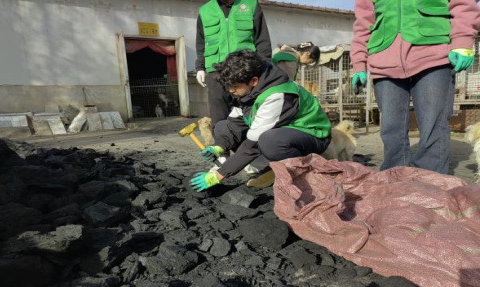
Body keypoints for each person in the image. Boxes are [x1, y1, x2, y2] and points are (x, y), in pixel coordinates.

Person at [351, 0, 480, 174]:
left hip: (433, 53)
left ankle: (430, 181)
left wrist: (462, 41)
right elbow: (363, 22)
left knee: (433, 125)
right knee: (391, 129)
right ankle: (395, 179)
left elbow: (463, 3)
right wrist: (359, 62)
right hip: (384, 57)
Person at [190, 50, 332, 191]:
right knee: (223, 126)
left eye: (234, 86)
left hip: (312, 134)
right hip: (281, 131)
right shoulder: (249, 90)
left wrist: (219, 175)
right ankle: (269, 167)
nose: (230, 90)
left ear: (254, 81)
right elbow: (236, 122)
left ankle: (301, 173)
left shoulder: (277, 95)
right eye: (228, 86)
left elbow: (252, 145)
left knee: (270, 141)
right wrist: (219, 146)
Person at [195, 0, 272, 128]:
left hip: (246, 70)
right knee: (219, 117)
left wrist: (264, 69)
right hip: (216, 72)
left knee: (250, 113)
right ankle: (221, 146)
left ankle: (250, 146)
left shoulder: (250, 5)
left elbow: (262, 39)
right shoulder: (205, 10)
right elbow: (201, 42)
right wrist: (200, 67)